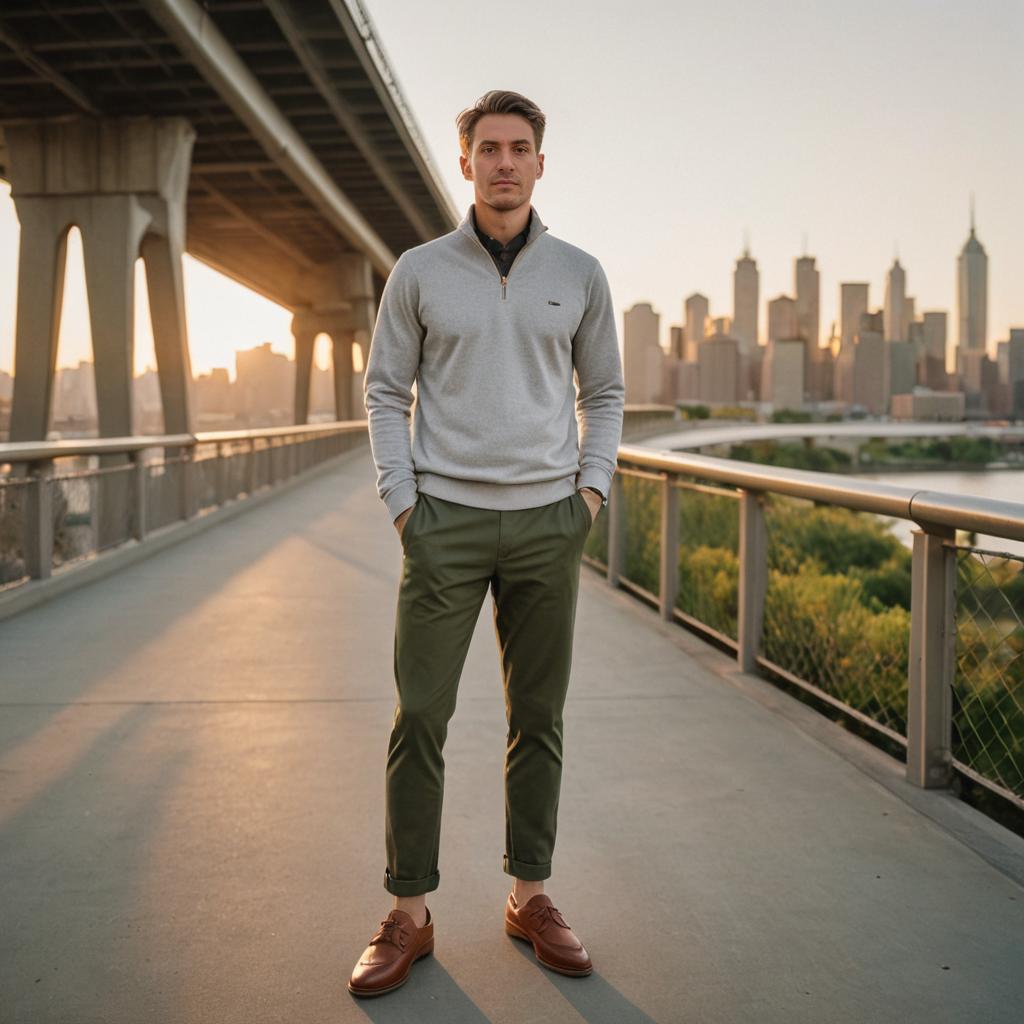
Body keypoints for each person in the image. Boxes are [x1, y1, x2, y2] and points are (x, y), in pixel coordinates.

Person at [349, 89, 624, 998]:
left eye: (521, 148)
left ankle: (529, 896)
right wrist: (402, 504)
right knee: (419, 715)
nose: (505, 162)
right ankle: (410, 915)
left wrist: (588, 493)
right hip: (445, 524)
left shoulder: (580, 272)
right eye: (489, 149)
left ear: (541, 163)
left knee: (537, 719)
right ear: (464, 162)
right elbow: (386, 391)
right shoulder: (420, 271)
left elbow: (606, 395)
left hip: (549, 522)